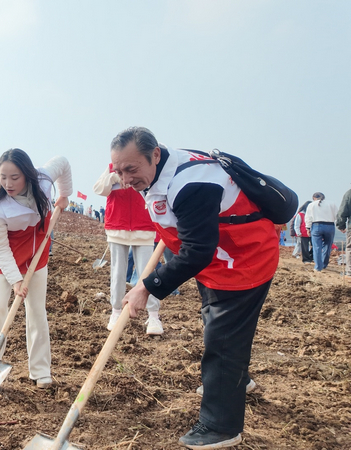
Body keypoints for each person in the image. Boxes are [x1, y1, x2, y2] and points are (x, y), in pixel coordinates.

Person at [112, 127, 277, 449]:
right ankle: (233, 382)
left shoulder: (193, 183)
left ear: (155, 154)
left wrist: (147, 287)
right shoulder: (158, 171)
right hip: (217, 265)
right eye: (118, 170)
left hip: (244, 260)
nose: (125, 179)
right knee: (217, 325)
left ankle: (220, 426)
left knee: (223, 338)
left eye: (131, 169)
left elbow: (197, 250)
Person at [0, 149, 71, 389]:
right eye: (2, 177)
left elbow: (62, 162)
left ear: (27, 174)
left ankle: (41, 371)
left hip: (36, 254)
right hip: (3, 257)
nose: (8, 183)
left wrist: (64, 195)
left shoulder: (43, 181)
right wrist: (16, 280)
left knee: (37, 310)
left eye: (15, 177)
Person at [94, 163, 163, 335]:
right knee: (118, 271)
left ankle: (153, 315)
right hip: (117, 227)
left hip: (144, 227)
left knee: (147, 272)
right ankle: (116, 311)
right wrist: (113, 177)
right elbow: (99, 189)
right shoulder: (112, 168)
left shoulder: (145, 165)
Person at [305, 192, 338, 272]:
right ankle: (324, 264)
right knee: (327, 246)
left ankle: (318, 267)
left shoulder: (311, 205)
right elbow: (337, 215)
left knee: (316, 247)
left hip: (316, 225)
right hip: (330, 225)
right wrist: (339, 226)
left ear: (314, 198)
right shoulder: (332, 204)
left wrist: (308, 228)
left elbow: (308, 217)